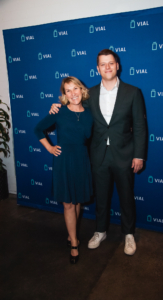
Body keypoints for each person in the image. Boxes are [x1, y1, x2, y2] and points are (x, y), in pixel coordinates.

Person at [50, 49, 147, 256]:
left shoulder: (133, 92)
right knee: (101, 196)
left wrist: (139, 155)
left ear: (117, 65)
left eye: (111, 63)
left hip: (124, 154)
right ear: (98, 69)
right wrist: (56, 107)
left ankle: (128, 234)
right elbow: (73, 110)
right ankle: (100, 231)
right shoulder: (89, 94)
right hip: (97, 155)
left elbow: (139, 126)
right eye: (103, 64)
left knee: (126, 196)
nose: (108, 67)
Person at [34, 76, 93, 264]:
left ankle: (71, 234)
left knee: (76, 202)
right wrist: (50, 148)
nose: (73, 93)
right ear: (64, 94)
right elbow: (38, 129)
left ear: (81, 90)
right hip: (64, 160)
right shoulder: (58, 111)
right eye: (68, 90)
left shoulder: (90, 113)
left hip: (81, 159)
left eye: (75, 88)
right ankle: (74, 243)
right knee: (68, 203)